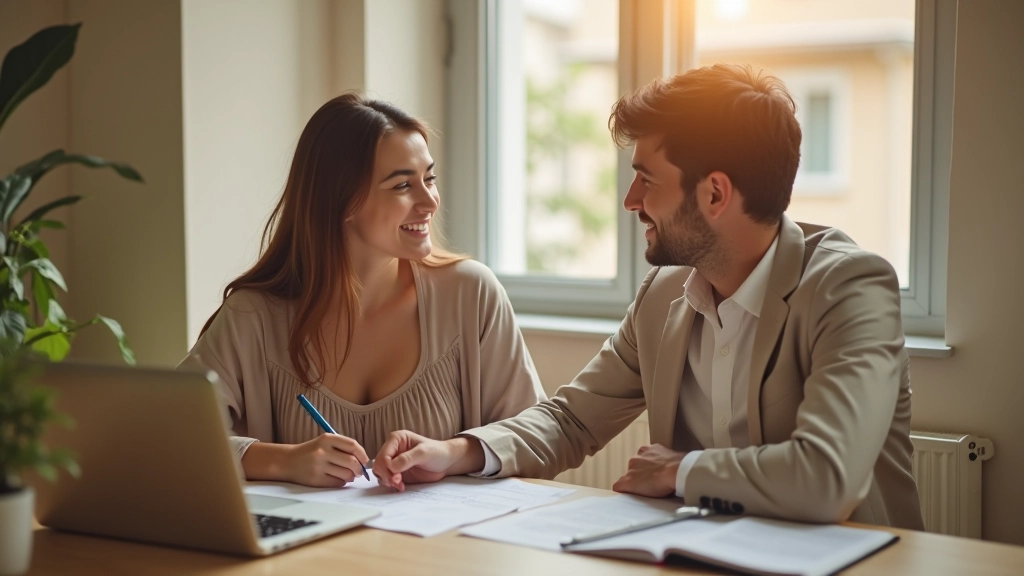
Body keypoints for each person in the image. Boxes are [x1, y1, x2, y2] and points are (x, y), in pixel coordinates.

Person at [371, 64, 925, 529]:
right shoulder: (665, 294)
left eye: (646, 179)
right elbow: (571, 421)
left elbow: (828, 477)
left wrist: (680, 471)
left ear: (714, 193)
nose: (630, 200)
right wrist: (454, 452)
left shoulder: (850, 288)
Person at [182, 93, 545, 488]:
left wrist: (452, 454)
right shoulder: (253, 315)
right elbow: (166, 439)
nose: (429, 201)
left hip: (444, 549)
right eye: (403, 185)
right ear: (342, 200)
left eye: (429, 178)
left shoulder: (471, 294)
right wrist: (281, 461)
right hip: (306, 549)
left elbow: (536, 440)